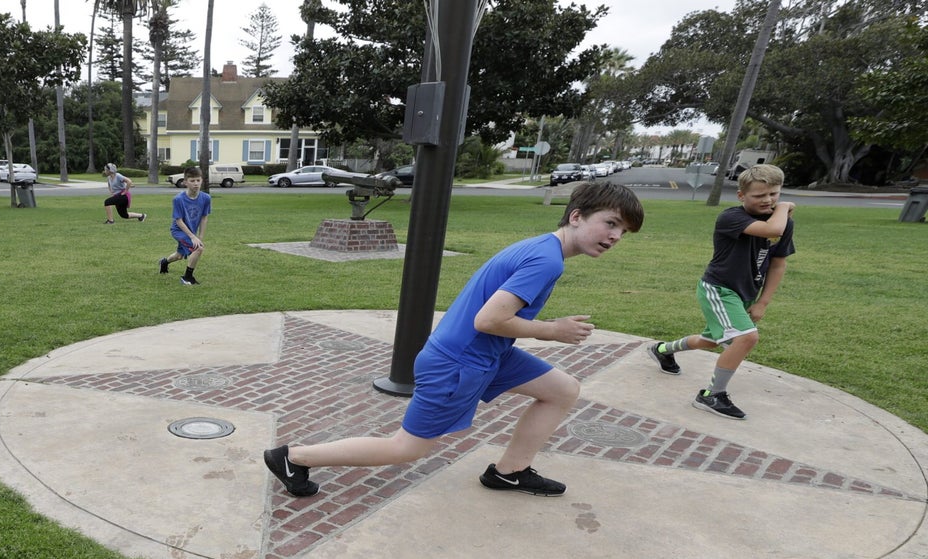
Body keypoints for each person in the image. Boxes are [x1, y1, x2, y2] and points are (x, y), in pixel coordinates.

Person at [264, 181, 645, 500]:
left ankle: (510, 471)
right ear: (576, 216)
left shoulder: (544, 249)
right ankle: (294, 457)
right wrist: (552, 330)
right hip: (459, 362)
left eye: (623, 232)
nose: (615, 236)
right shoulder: (547, 259)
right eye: (610, 223)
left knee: (562, 389)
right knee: (405, 448)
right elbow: (491, 319)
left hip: (486, 354)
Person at [647, 164, 795, 419]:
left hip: (745, 292)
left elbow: (778, 263)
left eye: (774, 194)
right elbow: (772, 231)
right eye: (759, 195)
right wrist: (783, 207)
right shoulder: (732, 217)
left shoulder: (782, 223)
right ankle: (712, 395)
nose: (768, 200)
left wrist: (763, 302)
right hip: (719, 289)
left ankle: (662, 350)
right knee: (746, 338)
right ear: (741, 196)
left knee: (712, 340)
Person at [157, 168, 210, 285]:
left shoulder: (206, 198)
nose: (196, 183)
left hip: (191, 232)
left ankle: (164, 262)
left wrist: (200, 236)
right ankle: (187, 278)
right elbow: (179, 221)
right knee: (198, 248)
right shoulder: (178, 199)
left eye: (198, 180)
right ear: (185, 182)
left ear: (202, 180)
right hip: (178, 230)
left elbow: (204, 217)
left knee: (179, 255)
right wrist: (192, 237)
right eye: (192, 181)